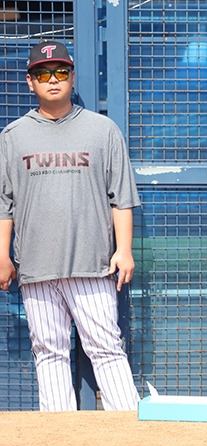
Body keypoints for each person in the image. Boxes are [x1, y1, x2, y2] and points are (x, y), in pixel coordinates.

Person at [0, 41, 141, 411]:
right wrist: (3, 256)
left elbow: (121, 197)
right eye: (42, 74)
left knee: (106, 346)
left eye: (61, 72)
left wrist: (123, 250)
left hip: (92, 262)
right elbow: (4, 206)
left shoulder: (102, 129)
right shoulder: (12, 136)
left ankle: (129, 432)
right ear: (30, 82)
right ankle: (58, 439)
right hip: (36, 264)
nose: (52, 80)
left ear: (72, 77)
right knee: (48, 353)